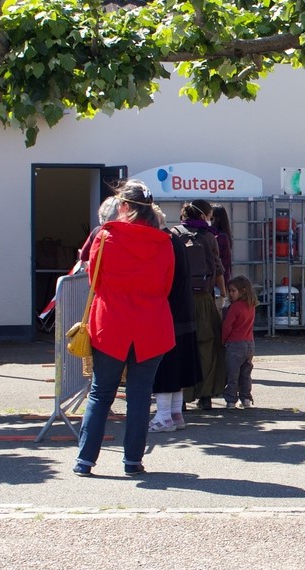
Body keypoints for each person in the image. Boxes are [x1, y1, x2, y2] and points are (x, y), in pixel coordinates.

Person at [72, 181, 175, 477]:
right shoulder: (163, 242)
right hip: (151, 325)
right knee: (140, 396)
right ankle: (132, 462)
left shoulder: (106, 237)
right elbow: (165, 286)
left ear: (125, 207)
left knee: (100, 394)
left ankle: (85, 461)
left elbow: (95, 280)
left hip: (111, 323)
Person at [149, 215, 202, 433]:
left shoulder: (162, 243)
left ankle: (163, 417)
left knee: (165, 366)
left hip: (167, 312)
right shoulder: (176, 240)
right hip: (183, 311)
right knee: (177, 365)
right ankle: (174, 413)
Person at [174, 200, 228, 409]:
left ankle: (181, 397)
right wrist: (222, 295)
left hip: (179, 301)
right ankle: (205, 395)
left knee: (181, 347)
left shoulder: (174, 234)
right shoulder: (209, 236)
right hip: (204, 298)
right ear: (204, 215)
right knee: (207, 346)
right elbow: (218, 268)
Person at [222, 275, 257, 409]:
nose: (230, 293)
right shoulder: (251, 306)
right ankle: (246, 397)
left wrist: (223, 340)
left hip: (235, 344)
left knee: (233, 374)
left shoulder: (235, 307)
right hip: (249, 343)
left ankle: (231, 399)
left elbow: (227, 326)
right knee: (246, 374)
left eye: (233, 291)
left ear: (242, 291)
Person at [209, 203, 234, 279]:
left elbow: (223, 264)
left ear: (217, 219)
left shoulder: (220, 237)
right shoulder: (224, 236)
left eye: (210, 217)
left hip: (215, 281)